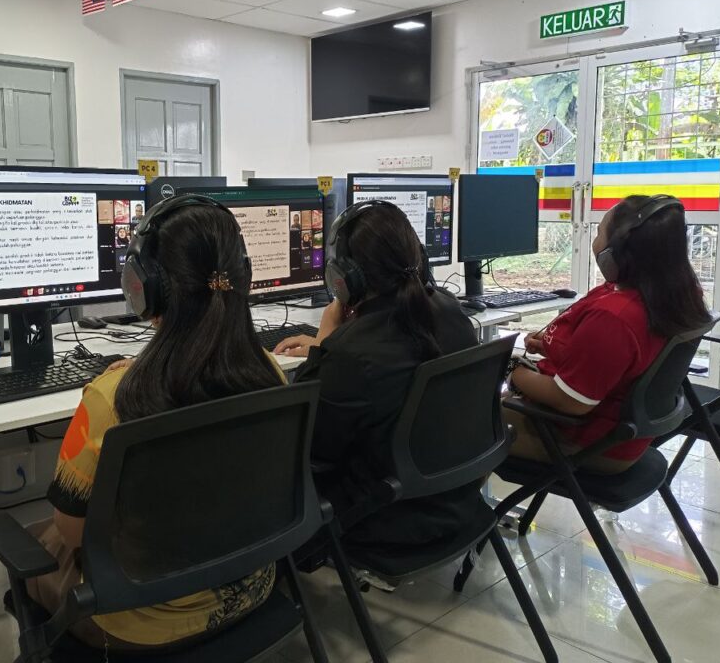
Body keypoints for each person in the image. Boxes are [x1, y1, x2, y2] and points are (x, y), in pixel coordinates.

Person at [27, 196, 283, 652]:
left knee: (40, 539)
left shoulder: (112, 397)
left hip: (139, 620)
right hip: (252, 588)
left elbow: (73, 533)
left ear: (145, 289)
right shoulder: (271, 372)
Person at [274, 200, 479, 555]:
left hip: (385, 515)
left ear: (343, 279)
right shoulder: (451, 311)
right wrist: (333, 343)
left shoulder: (353, 354)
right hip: (455, 496)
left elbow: (305, 445)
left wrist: (325, 343)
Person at [507, 195, 711, 473]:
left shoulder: (615, 317)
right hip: (621, 433)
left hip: (584, 440)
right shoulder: (675, 294)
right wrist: (554, 346)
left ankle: (466, 501)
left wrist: (512, 368)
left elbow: (572, 401)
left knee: (462, 423)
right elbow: (617, 359)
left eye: (600, 233)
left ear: (617, 250)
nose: (595, 242)